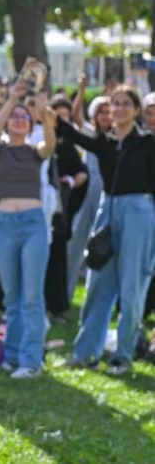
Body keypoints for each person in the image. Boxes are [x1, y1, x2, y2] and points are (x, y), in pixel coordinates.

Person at [56, 87, 155, 375]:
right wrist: (46, 111)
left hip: (140, 211)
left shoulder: (149, 142)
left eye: (127, 104)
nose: (120, 109)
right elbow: (73, 134)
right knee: (98, 283)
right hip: (108, 210)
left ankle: (122, 356)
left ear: (136, 111)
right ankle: (85, 353)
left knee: (132, 286)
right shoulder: (105, 143)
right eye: (116, 104)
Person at [0, 83, 56, 378]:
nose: (18, 120)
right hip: (4, 224)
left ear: (29, 124)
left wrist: (42, 113)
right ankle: (12, 357)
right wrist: (12, 100)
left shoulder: (35, 151)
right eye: (13, 117)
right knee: (11, 296)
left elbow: (50, 142)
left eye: (23, 117)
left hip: (32, 223)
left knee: (32, 297)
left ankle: (31, 361)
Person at [44, 95, 87, 322]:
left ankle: (57, 306)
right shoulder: (38, 137)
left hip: (59, 212)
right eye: (56, 115)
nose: (60, 120)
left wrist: (69, 181)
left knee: (58, 258)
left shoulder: (67, 145)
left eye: (64, 116)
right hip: (37, 208)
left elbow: (82, 174)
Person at [67, 78, 110, 301]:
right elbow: (76, 116)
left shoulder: (118, 138)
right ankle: (66, 293)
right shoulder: (90, 133)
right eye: (101, 111)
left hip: (108, 195)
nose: (105, 115)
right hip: (87, 195)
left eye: (108, 111)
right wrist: (82, 90)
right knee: (75, 243)